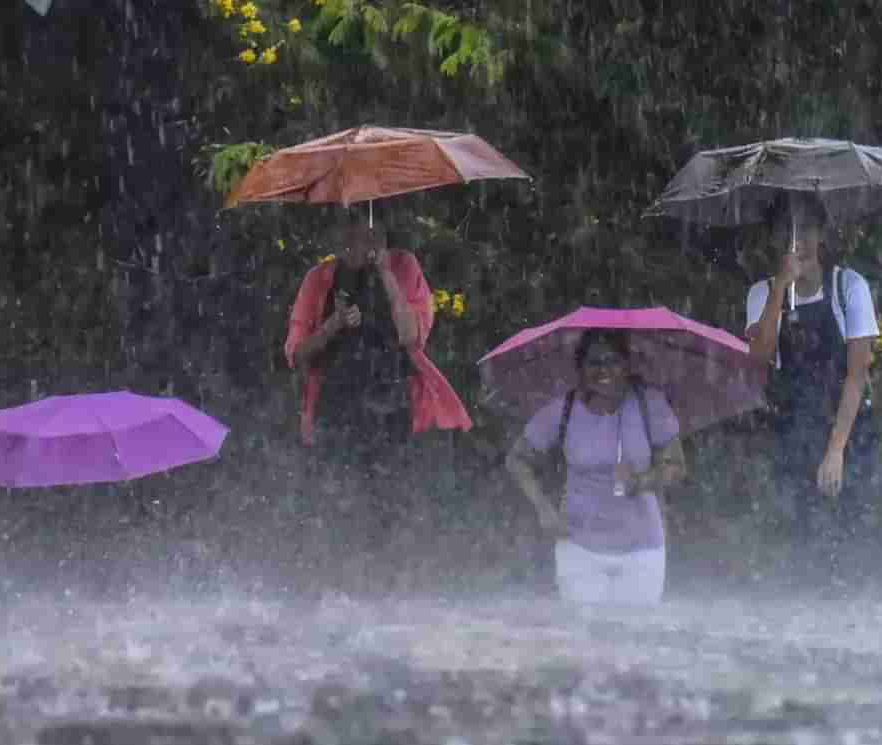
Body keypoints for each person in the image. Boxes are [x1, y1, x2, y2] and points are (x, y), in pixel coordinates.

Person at [284, 222, 471, 589]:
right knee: (337, 507)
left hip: (394, 408)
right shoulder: (320, 278)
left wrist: (385, 273)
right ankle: (337, 586)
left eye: (362, 231)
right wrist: (334, 324)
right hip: (336, 410)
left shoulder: (404, 266)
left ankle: (393, 588)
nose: (353, 241)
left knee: (393, 508)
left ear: (380, 232)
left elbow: (411, 336)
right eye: (345, 231)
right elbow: (297, 355)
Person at [744, 197, 882, 593]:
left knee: (851, 536)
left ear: (821, 234)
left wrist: (836, 449)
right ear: (774, 238)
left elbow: (857, 376)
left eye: (805, 228)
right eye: (787, 229)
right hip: (793, 431)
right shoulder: (761, 293)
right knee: (801, 538)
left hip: (850, 430)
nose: (797, 239)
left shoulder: (848, 287)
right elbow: (759, 359)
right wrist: (781, 289)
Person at [505, 329, 686, 605]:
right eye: (594, 362)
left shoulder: (649, 404)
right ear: (580, 367)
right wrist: (544, 508)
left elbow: (676, 465)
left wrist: (642, 480)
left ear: (627, 365)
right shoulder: (563, 409)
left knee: (637, 639)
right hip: (577, 546)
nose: (604, 370)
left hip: (642, 548)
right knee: (582, 641)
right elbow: (516, 459)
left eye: (612, 361)